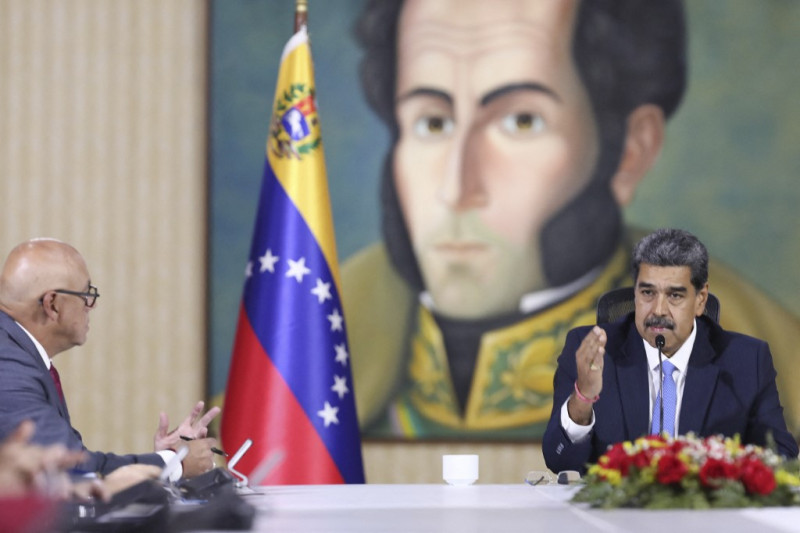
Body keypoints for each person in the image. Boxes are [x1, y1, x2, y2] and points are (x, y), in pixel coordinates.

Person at [342, 0, 800, 439]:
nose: (456, 190)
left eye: (522, 121)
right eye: (432, 123)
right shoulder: (315, 334)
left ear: (629, 151)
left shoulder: (766, 355)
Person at [542, 228, 798, 474]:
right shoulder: (595, 351)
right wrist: (583, 398)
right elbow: (559, 459)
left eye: (674, 296)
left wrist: (725, 468)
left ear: (700, 299)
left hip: (707, 512)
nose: (658, 310)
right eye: (647, 293)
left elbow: (781, 454)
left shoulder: (744, 360)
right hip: (615, 512)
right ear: (635, 294)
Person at [0, 238, 221, 479]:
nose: (91, 306)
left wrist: (160, 460)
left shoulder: (16, 354)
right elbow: (69, 469)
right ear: (52, 304)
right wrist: (173, 463)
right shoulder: (8, 368)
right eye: (86, 294)